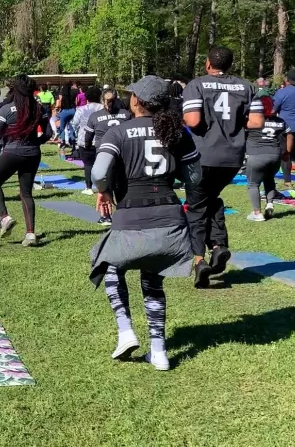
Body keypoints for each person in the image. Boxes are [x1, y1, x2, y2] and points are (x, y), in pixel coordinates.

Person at [88, 75, 201, 372]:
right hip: (169, 218)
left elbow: (99, 173)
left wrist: (104, 192)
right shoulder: (178, 132)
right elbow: (196, 180)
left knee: (108, 263)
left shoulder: (119, 131)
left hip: (131, 215)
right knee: (153, 279)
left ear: (135, 101)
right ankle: (159, 350)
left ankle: (125, 329)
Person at [181, 46, 255, 288]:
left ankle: (199, 260)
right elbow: (256, 121)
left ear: (207, 63)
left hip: (202, 154)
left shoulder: (197, 84)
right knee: (212, 199)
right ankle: (219, 246)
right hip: (232, 157)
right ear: (230, 65)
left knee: (196, 207)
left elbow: (193, 120)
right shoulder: (246, 87)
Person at [0, 74, 49, 247]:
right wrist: (33, 143)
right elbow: (48, 134)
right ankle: (30, 234)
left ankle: (5, 217)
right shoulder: (39, 108)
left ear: (15, 89)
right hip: (33, 153)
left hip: (11, 152)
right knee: (26, 193)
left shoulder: (6, 109)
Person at [83, 89, 132, 226]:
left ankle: (106, 216)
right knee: (123, 186)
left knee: (105, 187)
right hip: (123, 156)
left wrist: (89, 148)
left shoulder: (95, 116)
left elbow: (88, 137)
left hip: (104, 155)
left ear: (101, 100)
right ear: (117, 99)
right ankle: (124, 213)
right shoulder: (126, 115)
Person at [245, 96, 291, 221]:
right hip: (275, 155)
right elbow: (289, 135)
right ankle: (270, 203)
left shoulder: (251, 121)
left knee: (253, 184)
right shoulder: (280, 121)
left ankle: (256, 213)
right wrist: (287, 152)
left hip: (256, 154)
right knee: (269, 179)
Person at [271, 68, 295, 188]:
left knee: (285, 153)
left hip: (288, 127)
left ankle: (287, 182)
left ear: (288, 79)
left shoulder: (283, 92)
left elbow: (273, 109)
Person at [71, 86, 104, 194]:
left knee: (88, 164)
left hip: (84, 140)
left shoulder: (81, 110)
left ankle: (88, 187)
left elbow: (75, 124)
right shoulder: (104, 109)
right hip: (101, 140)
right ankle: (102, 187)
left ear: (87, 97)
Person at [56, 82, 77, 152]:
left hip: (64, 111)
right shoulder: (74, 92)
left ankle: (63, 143)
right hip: (72, 110)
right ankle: (73, 144)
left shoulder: (63, 93)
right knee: (72, 128)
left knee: (62, 128)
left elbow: (60, 102)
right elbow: (76, 102)